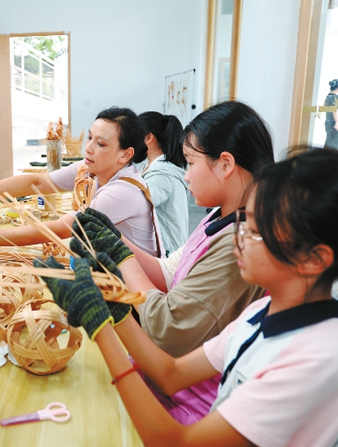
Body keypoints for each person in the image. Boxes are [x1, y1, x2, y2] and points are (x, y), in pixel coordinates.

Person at [38, 148, 338, 445]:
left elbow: (175, 441)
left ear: (314, 259)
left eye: (256, 233)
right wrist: (114, 310)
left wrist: (100, 326)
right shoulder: (262, 310)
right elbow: (171, 373)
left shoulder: (315, 359)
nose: (239, 239)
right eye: (244, 224)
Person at [71, 101, 274, 423]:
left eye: (191, 163)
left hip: (190, 397)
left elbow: (168, 326)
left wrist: (121, 259)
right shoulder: (218, 215)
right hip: (171, 371)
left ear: (225, 164)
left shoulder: (242, 242)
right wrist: (116, 240)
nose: (186, 175)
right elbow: (169, 273)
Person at [0, 106, 164, 257]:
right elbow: (40, 182)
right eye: (90, 138)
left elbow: (57, 229)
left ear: (125, 155)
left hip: (134, 290)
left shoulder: (122, 192)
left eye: (101, 144)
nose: (88, 147)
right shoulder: (91, 170)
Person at [137, 111, 188, 255]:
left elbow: (137, 205)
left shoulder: (161, 175)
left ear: (148, 138)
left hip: (167, 253)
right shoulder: (148, 165)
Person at [324, 79, 338, 150]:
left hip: (328, 121)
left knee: (330, 138)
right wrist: (337, 121)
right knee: (334, 141)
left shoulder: (328, 96)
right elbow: (334, 110)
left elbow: (324, 106)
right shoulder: (335, 97)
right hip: (334, 122)